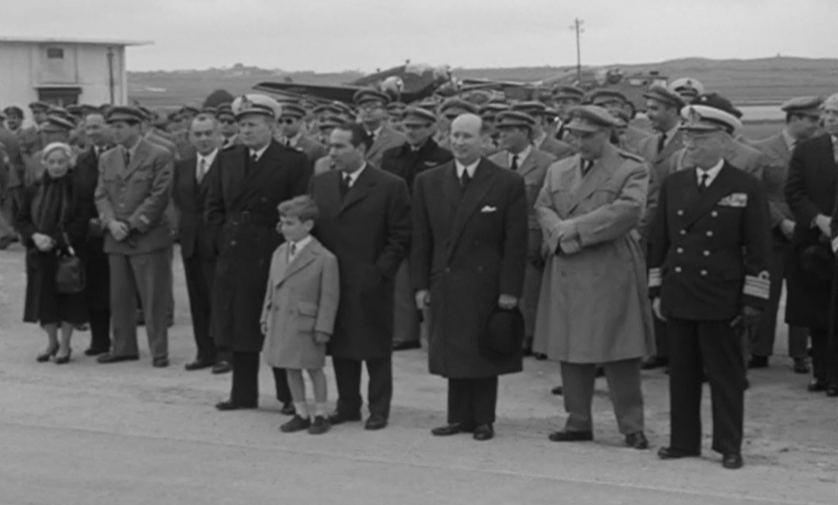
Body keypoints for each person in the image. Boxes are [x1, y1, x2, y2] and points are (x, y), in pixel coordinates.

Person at [650, 104, 771, 470]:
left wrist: (753, 299)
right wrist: (657, 289)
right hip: (681, 290)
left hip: (721, 295)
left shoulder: (745, 186)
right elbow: (660, 241)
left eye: (700, 138)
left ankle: (728, 444)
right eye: (688, 137)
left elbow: (759, 248)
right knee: (682, 373)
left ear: (723, 142)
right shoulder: (675, 183)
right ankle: (683, 441)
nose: (691, 145)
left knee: (725, 376)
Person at [533, 106, 654, 449]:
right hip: (568, 264)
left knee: (620, 348)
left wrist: (576, 229)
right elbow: (543, 206)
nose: (578, 142)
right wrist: (558, 233)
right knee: (570, 347)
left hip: (610, 265)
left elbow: (628, 211)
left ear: (607, 133)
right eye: (574, 135)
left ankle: (631, 425)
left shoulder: (631, 167)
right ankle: (577, 421)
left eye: (587, 136)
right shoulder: (559, 169)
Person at [412, 114, 528, 442]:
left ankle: (483, 419)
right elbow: (421, 239)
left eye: (467, 136)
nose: (459, 142)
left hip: (486, 284)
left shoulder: (506, 182)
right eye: (455, 135)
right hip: (446, 281)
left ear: (484, 141)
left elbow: (515, 243)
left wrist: (510, 290)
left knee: (483, 350)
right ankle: (458, 417)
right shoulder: (428, 181)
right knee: (453, 350)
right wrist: (420, 285)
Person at [206, 94, 310, 412]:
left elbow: (301, 206)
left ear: (271, 126)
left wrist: (289, 243)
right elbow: (214, 204)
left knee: (276, 325)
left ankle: (288, 395)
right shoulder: (227, 158)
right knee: (239, 324)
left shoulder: (292, 161)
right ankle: (242, 393)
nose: (245, 131)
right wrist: (220, 239)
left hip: (272, 249)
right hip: (234, 248)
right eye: (242, 125)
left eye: (252, 125)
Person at [310, 122, 411, 431]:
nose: (332, 152)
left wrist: (380, 272)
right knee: (341, 344)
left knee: (375, 347)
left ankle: (378, 408)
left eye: (340, 146)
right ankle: (348, 405)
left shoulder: (390, 185)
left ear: (362, 149)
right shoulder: (321, 183)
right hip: (332, 278)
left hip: (371, 278)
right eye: (330, 146)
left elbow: (401, 235)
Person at [94, 106, 175, 368]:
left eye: (120, 126)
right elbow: (101, 194)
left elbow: (159, 195)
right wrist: (110, 222)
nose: (114, 132)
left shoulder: (159, 154)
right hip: (116, 237)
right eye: (112, 126)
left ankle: (158, 350)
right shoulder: (107, 158)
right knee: (119, 298)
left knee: (153, 298)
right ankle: (123, 347)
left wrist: (131, 224)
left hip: (147, 236)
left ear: (137, 127)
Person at [751, 96, 823, 373]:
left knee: (802, 294)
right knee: (766, 294)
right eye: (812, 119)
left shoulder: (819, 150)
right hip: (772, 234)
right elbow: (758, 192)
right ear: (794, 119)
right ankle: (759, 350)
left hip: (806, 234)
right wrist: (780, 221)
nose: (817, 125)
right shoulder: (762, 149)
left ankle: (799, 353)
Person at [261, 196, 340, 435]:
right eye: (282, 223)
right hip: (281, 319)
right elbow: (271, 287)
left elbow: (329, 297)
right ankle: (301, 411)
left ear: (307, 225)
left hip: (306, 322)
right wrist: (265, 315)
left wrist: (324, 327)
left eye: (290, 223)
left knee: (313, 368)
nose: (284, 228)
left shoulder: (324, 258)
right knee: (290, 368)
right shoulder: (279, 252)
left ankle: (321, 413)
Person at [380, 106, 453, 351]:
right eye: (407, 126)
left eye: (417, 127)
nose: (411, 131)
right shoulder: (391, 156)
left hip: (430, 222)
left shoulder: (443, 157)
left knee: (431, 277)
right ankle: (404, 333)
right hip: (399, 221)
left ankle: (435, 333)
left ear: (431, 129)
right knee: (401, 279)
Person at [488, 111, 556, 354]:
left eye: (509, 130)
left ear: (525, 132)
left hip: (532, 234)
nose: (502, 135)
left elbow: (551, 203)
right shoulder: (493, 161)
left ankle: (532, 336)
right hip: (498, 233)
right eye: (501, 131)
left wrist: (547, 240)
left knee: (531, 288)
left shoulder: (547, 162)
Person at [784, 92, 838, 397]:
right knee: (818, 311)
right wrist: (818, 219)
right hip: (815, 243)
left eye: (835, 114)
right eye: (826, 113)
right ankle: (822, 372)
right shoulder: (807, 150)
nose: (828, 119)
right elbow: (794, 191)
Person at [16, 142, 90, 364]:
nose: (57, 166)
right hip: (39, 252)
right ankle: (51, 342)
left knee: (69, 299)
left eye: (61, 161)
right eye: (52, 162)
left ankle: (66, 344)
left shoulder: (78, 189)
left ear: (70, 163)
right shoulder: (33, 189)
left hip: (67, 253)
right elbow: (21, 220)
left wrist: (56, 240)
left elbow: (81, 222)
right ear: (44, 163)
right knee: (43, 299)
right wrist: (35, 236)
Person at [172, 114, 230, 374]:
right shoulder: (183, 166)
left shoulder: (229, 163)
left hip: (218, 242)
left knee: (221, 299)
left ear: (218, 135)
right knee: (198, 299)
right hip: (191, 242)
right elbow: (180, 201)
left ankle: (225, 353)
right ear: (190, 137)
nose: (204, 139)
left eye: (208, 133)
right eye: (198, 134)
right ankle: (204, 351)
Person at [637, 86, 686, 371]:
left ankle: (676, 351)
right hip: (648, 227)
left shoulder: (687, 142)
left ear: (672, 110)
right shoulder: (646, 144)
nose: (649, 114)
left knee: (673, 287)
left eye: (655, 109)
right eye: (648, 108)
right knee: (650, 286)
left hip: (675, 226)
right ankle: (656, 347)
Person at [73, 112, 113, 357]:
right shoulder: (82, 160)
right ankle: (100, 340)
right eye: (88, 128)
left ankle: (125, 341)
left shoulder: (120, 153)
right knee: (96, 289)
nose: (92, 132)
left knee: (122, 290)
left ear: (107, 128)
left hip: (120, 229)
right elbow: (79, 196)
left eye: (97, 127)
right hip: (92, 235)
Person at [353, 90, 406, 168]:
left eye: (373, 107)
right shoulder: (349, 135)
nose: (368, 110)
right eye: (363, 107)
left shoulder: (399, 139)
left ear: (384, 112)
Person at [276, 103, 327, 169]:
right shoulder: (275, 144)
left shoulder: (315, 148)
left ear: (300, 122)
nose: (284, 125)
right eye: (280, 121)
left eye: (289, 121)